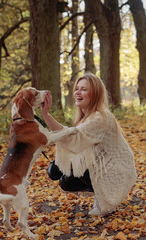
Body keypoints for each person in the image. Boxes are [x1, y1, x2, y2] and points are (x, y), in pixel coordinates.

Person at [41, 72, 137, 216]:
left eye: (84, 89)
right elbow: (70, 134)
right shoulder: (86, 118)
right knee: (62, 176)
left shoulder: (101, 117)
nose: (78, 92)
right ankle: (102, 196)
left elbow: (72, 139)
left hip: (117, 170)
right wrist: (45, 115)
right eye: (77, 88)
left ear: (95, 94)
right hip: (106, 165)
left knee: (70, 172)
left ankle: (105, 202)